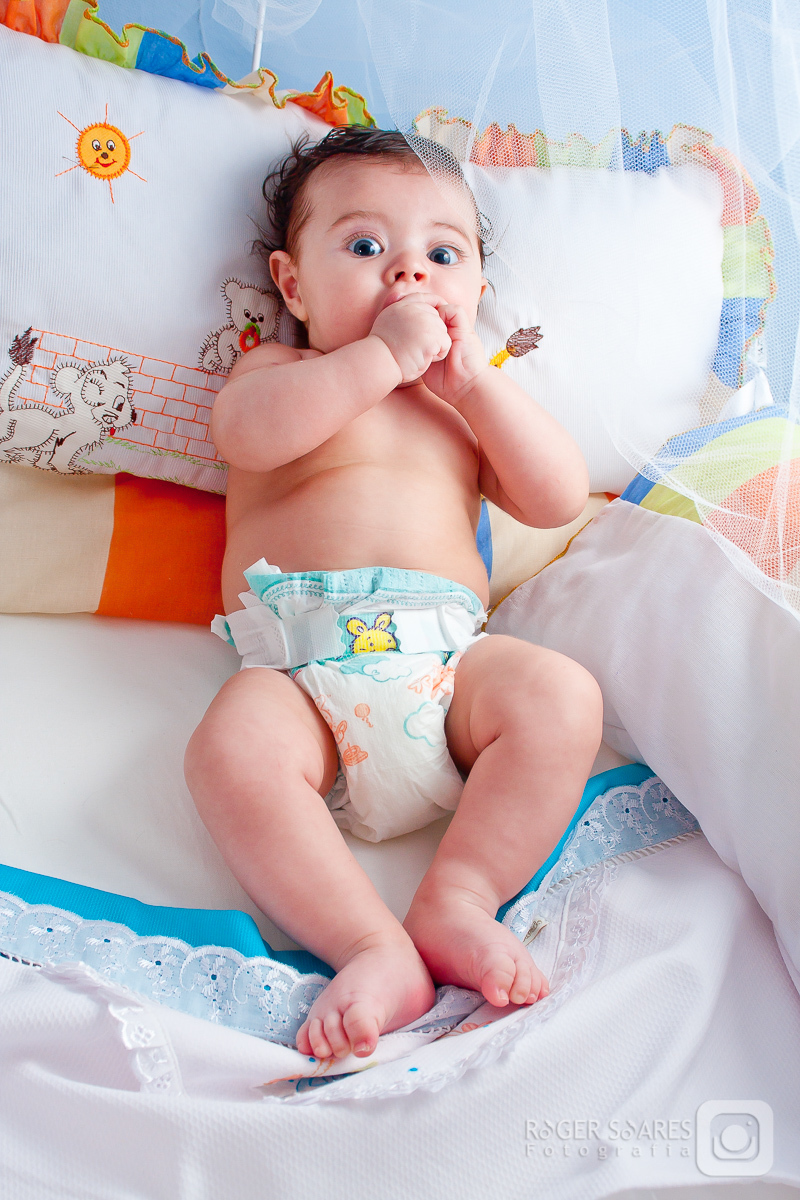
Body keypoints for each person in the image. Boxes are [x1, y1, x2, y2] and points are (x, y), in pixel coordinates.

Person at [185, 127, 603, 1063]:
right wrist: (378, 359)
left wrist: (477, 388)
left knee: (562, 696)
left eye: (443, 256)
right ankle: (370, 946)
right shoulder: (279, 373)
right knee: (229, 751)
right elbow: (247, 437)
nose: (409, 274)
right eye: (367, 246)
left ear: (477, 294)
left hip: (448, 670)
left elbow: (556, 498)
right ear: (293, 285)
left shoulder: (466, 410)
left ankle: (460, 899)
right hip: (301, 677)